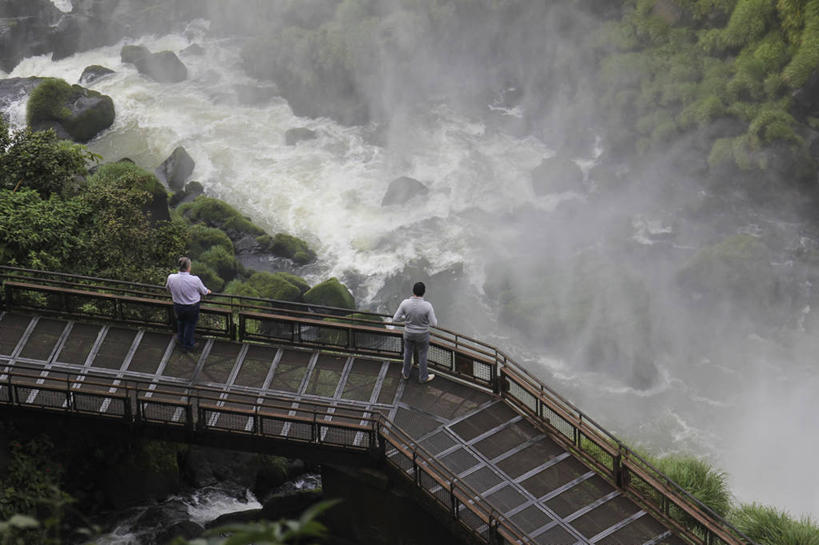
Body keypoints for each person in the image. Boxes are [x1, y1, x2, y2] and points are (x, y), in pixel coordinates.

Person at [392, 281, 438, 383]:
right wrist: (425, 322)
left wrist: (406, 319)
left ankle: (406, 373)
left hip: (408, 333)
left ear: (413, 291)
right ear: (424, 292)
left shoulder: (405, 303)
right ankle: (423, 377)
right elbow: (434, 323)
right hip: (422, 335)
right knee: (422, 354)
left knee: (408, 352)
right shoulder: (427, 306)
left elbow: (395, 319)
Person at [165, 256, 211, 351]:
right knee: (190, 325)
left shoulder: (171, 277)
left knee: (181, 322)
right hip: (192, 307)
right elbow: (204, 291)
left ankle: (181, 340)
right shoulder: (195, 279)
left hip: (178, 305)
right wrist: (208, 292)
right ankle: (188, 345)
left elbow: (168, 288)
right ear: (188, 267)